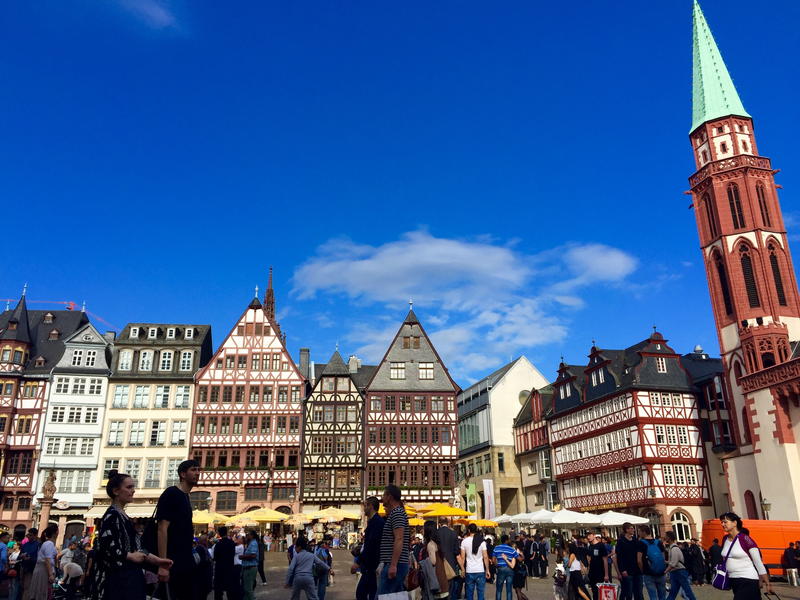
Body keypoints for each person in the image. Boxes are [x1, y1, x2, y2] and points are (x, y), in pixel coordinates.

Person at [93, 470, 173, 600]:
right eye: (129, 487)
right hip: (120, 581)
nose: (133, 490)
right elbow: (106, 546)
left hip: (129, 578)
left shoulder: (122, 516)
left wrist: (157, 561)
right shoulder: (112, 515)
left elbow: (136, 548)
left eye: (133, 487)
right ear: (116, 491)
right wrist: (129, 556)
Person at [155, 459, 199, 600]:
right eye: (193, 470)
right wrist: (163, 564)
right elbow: (162, 528)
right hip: (173, 562)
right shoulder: (172, 493)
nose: (197, 473)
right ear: (183, 474)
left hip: (183, 561)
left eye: (198, 470)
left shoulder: (185, 496)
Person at [718, 512, 771, 600]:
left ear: (734, 523)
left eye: (725, 522)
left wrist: (767, 583)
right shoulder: (725, 539)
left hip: (748, 579)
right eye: (722, 522)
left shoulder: (745, 539)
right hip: (733, 579)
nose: (722, 524)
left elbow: (758, 562)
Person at [378, 484, 411, 595]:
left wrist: (393, 565)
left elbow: (399, 538)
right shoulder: (395, 513)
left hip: (396, 564)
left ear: (389, 497)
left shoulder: (397, 513)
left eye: (384, 495)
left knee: (385, 596)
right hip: (395, 563)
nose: (382, 498)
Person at [352, 496, 384, 600]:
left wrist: (358, 562)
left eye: (365, 506)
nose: (364, 509)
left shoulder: (377, 522)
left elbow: (371, 545)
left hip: (372, 566)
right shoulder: (374, 521)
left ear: (371, 506)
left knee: (363, 594)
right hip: (369, 567)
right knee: (365, 593)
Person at [417, 520, 449, 600]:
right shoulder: (437, 542)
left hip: (436, 580)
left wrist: (422, 562)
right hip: (442, 578)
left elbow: (433, 561)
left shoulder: (430, 544)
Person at [26, 525, 58, 600]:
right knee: (42, 593)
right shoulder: (49, 544)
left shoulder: (48, 543)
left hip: (43, 569)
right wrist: (51, 574)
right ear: (55, 533)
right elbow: (47, 559)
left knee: (42, 593)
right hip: (43, 571)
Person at [459, 524, 490, 600]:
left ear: (469, 530)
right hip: (480, 570)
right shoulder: (482, 542)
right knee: (481, 594)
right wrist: (487, 570)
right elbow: (485, 557)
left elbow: (462, 557)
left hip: (469, 570)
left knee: (469, 594)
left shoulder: (464, 541)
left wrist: (462, 569)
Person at [636, 525, 666, 600]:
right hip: (661, 572)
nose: (638, 533)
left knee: (653, 597)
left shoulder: (641, 543)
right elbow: (663, 558)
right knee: (662, 596)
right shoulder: (659, 542)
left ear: (644, 532)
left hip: (648, 573)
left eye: (639, 531)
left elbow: (639, 560)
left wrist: (643, 570)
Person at [614, 523, 643, 600]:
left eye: (633, 528)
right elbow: (619, 557)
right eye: (631, 528)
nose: (633, 530)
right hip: (627, 571)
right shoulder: (621, 541)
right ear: (626, 530)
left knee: (639, 592)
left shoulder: (635, 540)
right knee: (629, 593)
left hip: (637, 570)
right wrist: (622, 570)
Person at [664, 531, 697, 600]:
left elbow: (673, 563)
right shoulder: (672, 548)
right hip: (676, 572)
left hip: (679, 572)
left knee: (686, 591)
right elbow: (673, 562)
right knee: (674, 592)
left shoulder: (674, 548)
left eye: (665, 536)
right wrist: (666, 562)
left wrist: (665, 571)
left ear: (669, 538)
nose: (664, 538)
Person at [437, 518, 462, 600]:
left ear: (439, 524)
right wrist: (462, 568)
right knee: (450, 589)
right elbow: (457, 552)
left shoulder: (436, 533)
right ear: (448, 523)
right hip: (451, 565)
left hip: (439, 564)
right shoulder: (453, 533)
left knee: (440, 590)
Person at [213, 527, 238, 600]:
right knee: (230, 591)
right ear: (226, 533)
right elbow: (233, 554)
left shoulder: (218, 544)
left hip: (220, 569)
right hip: (229, 568)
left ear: (219, 534)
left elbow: (215, 557)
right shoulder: (231, 543)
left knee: (218, 591)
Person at [492, 534, 518, 600]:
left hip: (501, 569)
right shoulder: (512, 549)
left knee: (499, 590)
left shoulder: (496, 548)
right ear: (507, 540)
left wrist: (497, 565)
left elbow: (493, 560)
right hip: (510, 569)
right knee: (509, 590)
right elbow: (517, 557)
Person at [586, 533, 610, 600]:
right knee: (594, 592)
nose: (588, 537)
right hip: (592, 573)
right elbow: (590, 559)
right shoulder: (590, 546)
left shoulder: (601, 545)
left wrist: (606, 574)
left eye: (589, 535)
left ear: (594, 536)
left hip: (600, 573)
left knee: (601, 592)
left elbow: (605, 560)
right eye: (587, 536)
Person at [19, 527, 40, 600]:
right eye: (28, 535)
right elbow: (20, 555)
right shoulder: (25, 545)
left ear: (35, 535)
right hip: (23, 567)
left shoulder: (38, 545)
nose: (28, 536)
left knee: (27, 587)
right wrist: (21, 556)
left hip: (31, 569)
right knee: (22, 586)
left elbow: (38, 558)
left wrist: (30, 558)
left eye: (30, 535)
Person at [240, 530, 260, 600]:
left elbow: (253, 555)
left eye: (248, 535)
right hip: (248, 567)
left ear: (252, 536)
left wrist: (242, 557)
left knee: (248, 589)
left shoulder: (253, 543)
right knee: (246, 588)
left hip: (250, 567)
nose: (247, 536)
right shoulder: (251, 543)